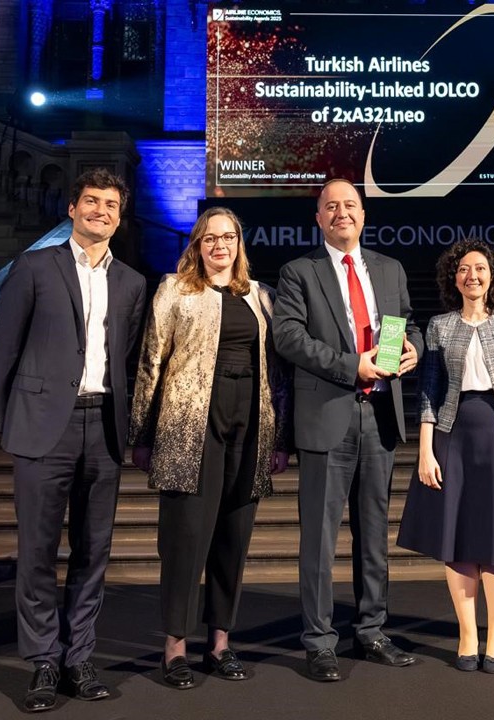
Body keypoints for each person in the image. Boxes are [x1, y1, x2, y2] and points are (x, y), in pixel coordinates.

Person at [0, 168, 148, 712]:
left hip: (104, 426)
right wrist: (7, 419)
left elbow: (126, 357)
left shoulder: (132, 282)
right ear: (72, 209)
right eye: (91, 201)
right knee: (37, 551)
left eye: (111, 204)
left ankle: (79, 657)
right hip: (42, 426)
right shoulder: (34, 266)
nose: (101, 211)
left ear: (119, 217)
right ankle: (43, 660)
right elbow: (5, 349)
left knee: (93, 551)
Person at [129, 207, 292, 688]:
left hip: (251, 424)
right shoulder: (175, 290)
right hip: (190, 425)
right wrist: (142, 433)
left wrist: (280, 438)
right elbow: (151, 361)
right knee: (185, 539)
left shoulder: (262, 296)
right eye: (210, 238)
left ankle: (220, 643)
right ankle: (175, 647)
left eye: (229, 237)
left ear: (240, 243)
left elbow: (279, 374)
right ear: (197, 246)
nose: (221, 245)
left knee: (233, 538)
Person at [273, 178, 423, 682]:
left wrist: (413, 348)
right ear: (318, 218)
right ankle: (319, 641)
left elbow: (408, 324)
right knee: (319, 538)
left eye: (351, 205)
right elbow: (288, 336)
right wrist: (349, 366)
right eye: (331, 206)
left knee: (374, 534)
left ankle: (371, 631)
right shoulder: (299, 271)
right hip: (327, 416)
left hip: (379, 416)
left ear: (364, 214)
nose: (342, 212)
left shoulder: (390, 268)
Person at [397, 239, 494, 674]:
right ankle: (468, 634)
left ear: (493, 276)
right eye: (464, 269)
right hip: (452, 439)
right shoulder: (439, 326)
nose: (472, 275)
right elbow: (428, 393)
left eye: (480, 268)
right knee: (458, 539)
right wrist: (425, 451)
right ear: (454, 278)